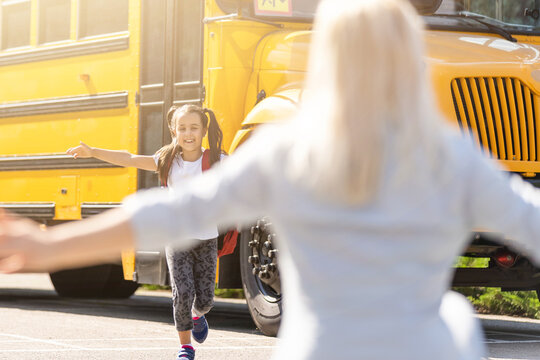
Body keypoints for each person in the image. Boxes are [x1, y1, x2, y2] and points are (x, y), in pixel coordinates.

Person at [1, 0, 539, 359]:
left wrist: (47, 245)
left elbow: (176, 211)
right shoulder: (451, 155)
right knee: (454, 315)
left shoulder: (287, 151)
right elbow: (529, 220)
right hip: (424, 345)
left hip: (320, 346)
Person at [66, 104, 226, 360]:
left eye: (194, 128)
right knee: (182, 293)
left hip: (206, 240)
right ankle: (185, 347)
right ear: (174, 130)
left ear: (204, 130)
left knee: (205, 300)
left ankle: (198, 315)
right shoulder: (167, 160)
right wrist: (92, 151)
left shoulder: (217, 159)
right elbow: (129, 158)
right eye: (182, 128)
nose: (188, 133)